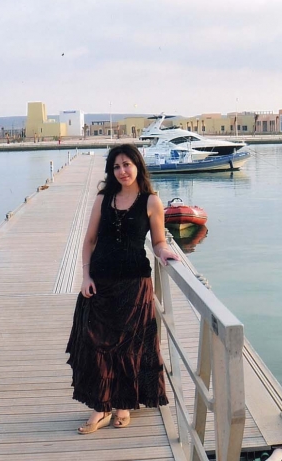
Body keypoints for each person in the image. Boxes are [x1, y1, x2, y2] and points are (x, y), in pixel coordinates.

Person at [66, 143, 178, 434]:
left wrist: (165, 252)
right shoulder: (103, 198)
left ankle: (123, 405)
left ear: (138, 165)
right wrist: (85, 276)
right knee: (97, 345)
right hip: (100, 282)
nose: (122, 171)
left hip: (134, 284)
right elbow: (89, 240)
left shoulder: (151, 201)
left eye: (127, 164)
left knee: (129, 346)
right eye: (116, 166)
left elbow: (158, 241)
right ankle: (101, 407)